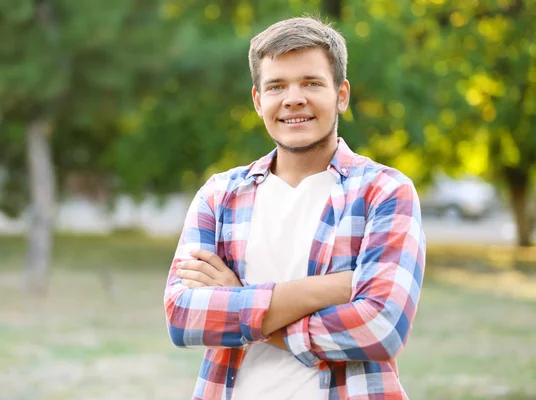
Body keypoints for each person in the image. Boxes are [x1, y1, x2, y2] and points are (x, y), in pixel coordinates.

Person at [164, 16, 426, 400]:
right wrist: (324, 290)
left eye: (311, 83)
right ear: (258, 100)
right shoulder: (219, 196)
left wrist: (239, 299)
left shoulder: (385, 192)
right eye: (276, 86)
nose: (293, 99)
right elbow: (183, 317)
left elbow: (381, 328)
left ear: (342, 94)